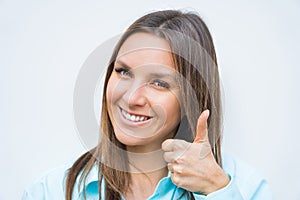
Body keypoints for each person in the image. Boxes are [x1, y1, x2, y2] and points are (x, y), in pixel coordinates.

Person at [22, 10, 273, 200]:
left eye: (159, 83)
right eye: (123, 72)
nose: (132, 98)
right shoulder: (50, 191)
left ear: (192, 96)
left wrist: (217, 189)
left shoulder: (247, 188)